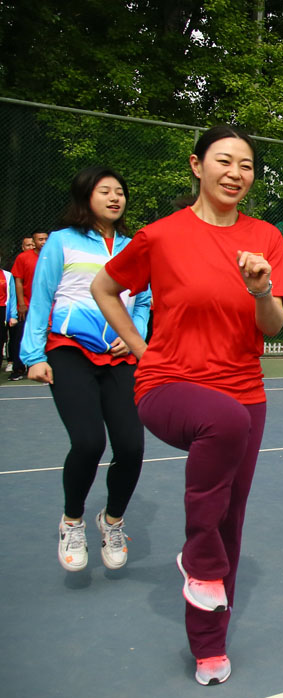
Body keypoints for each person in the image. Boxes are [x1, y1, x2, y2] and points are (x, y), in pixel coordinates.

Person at [92, 125, 283, 687]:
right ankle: (201, 562)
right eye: (224, 161)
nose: (235, 173)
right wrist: (141, 348)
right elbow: (104, 289)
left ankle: (208, 646)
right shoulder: (161, 235)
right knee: (220, 426)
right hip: (168, 385)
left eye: (247, 165)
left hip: (244, 390)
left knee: (229, 517)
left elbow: (272, 326)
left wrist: (260, 288)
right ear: (197, 166)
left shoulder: (266, 239)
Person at [23, 167, 150, 571]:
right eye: (105, 191)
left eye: (120, 192)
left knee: (131, 446)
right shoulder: (61, 242)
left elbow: (144, 302)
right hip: (69, 351)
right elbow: (41, 298)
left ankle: (111, 521)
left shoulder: (134, 247)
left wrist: (133, 336)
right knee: (89, 441)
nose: (115, 198)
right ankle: (72, 520)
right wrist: (33, 356)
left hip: (120, 356)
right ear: (86, 197)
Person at [9, 234, 41, 380]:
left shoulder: (52, 256)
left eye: (46, 239)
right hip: (27, 305)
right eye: (40, 239)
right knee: (20, 337)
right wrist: (21, 304)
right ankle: (19, 368)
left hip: (47, 306)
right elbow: (18, 282)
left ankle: (42, 368)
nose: (43, 242)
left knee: (44, 337)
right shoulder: (23, 258)